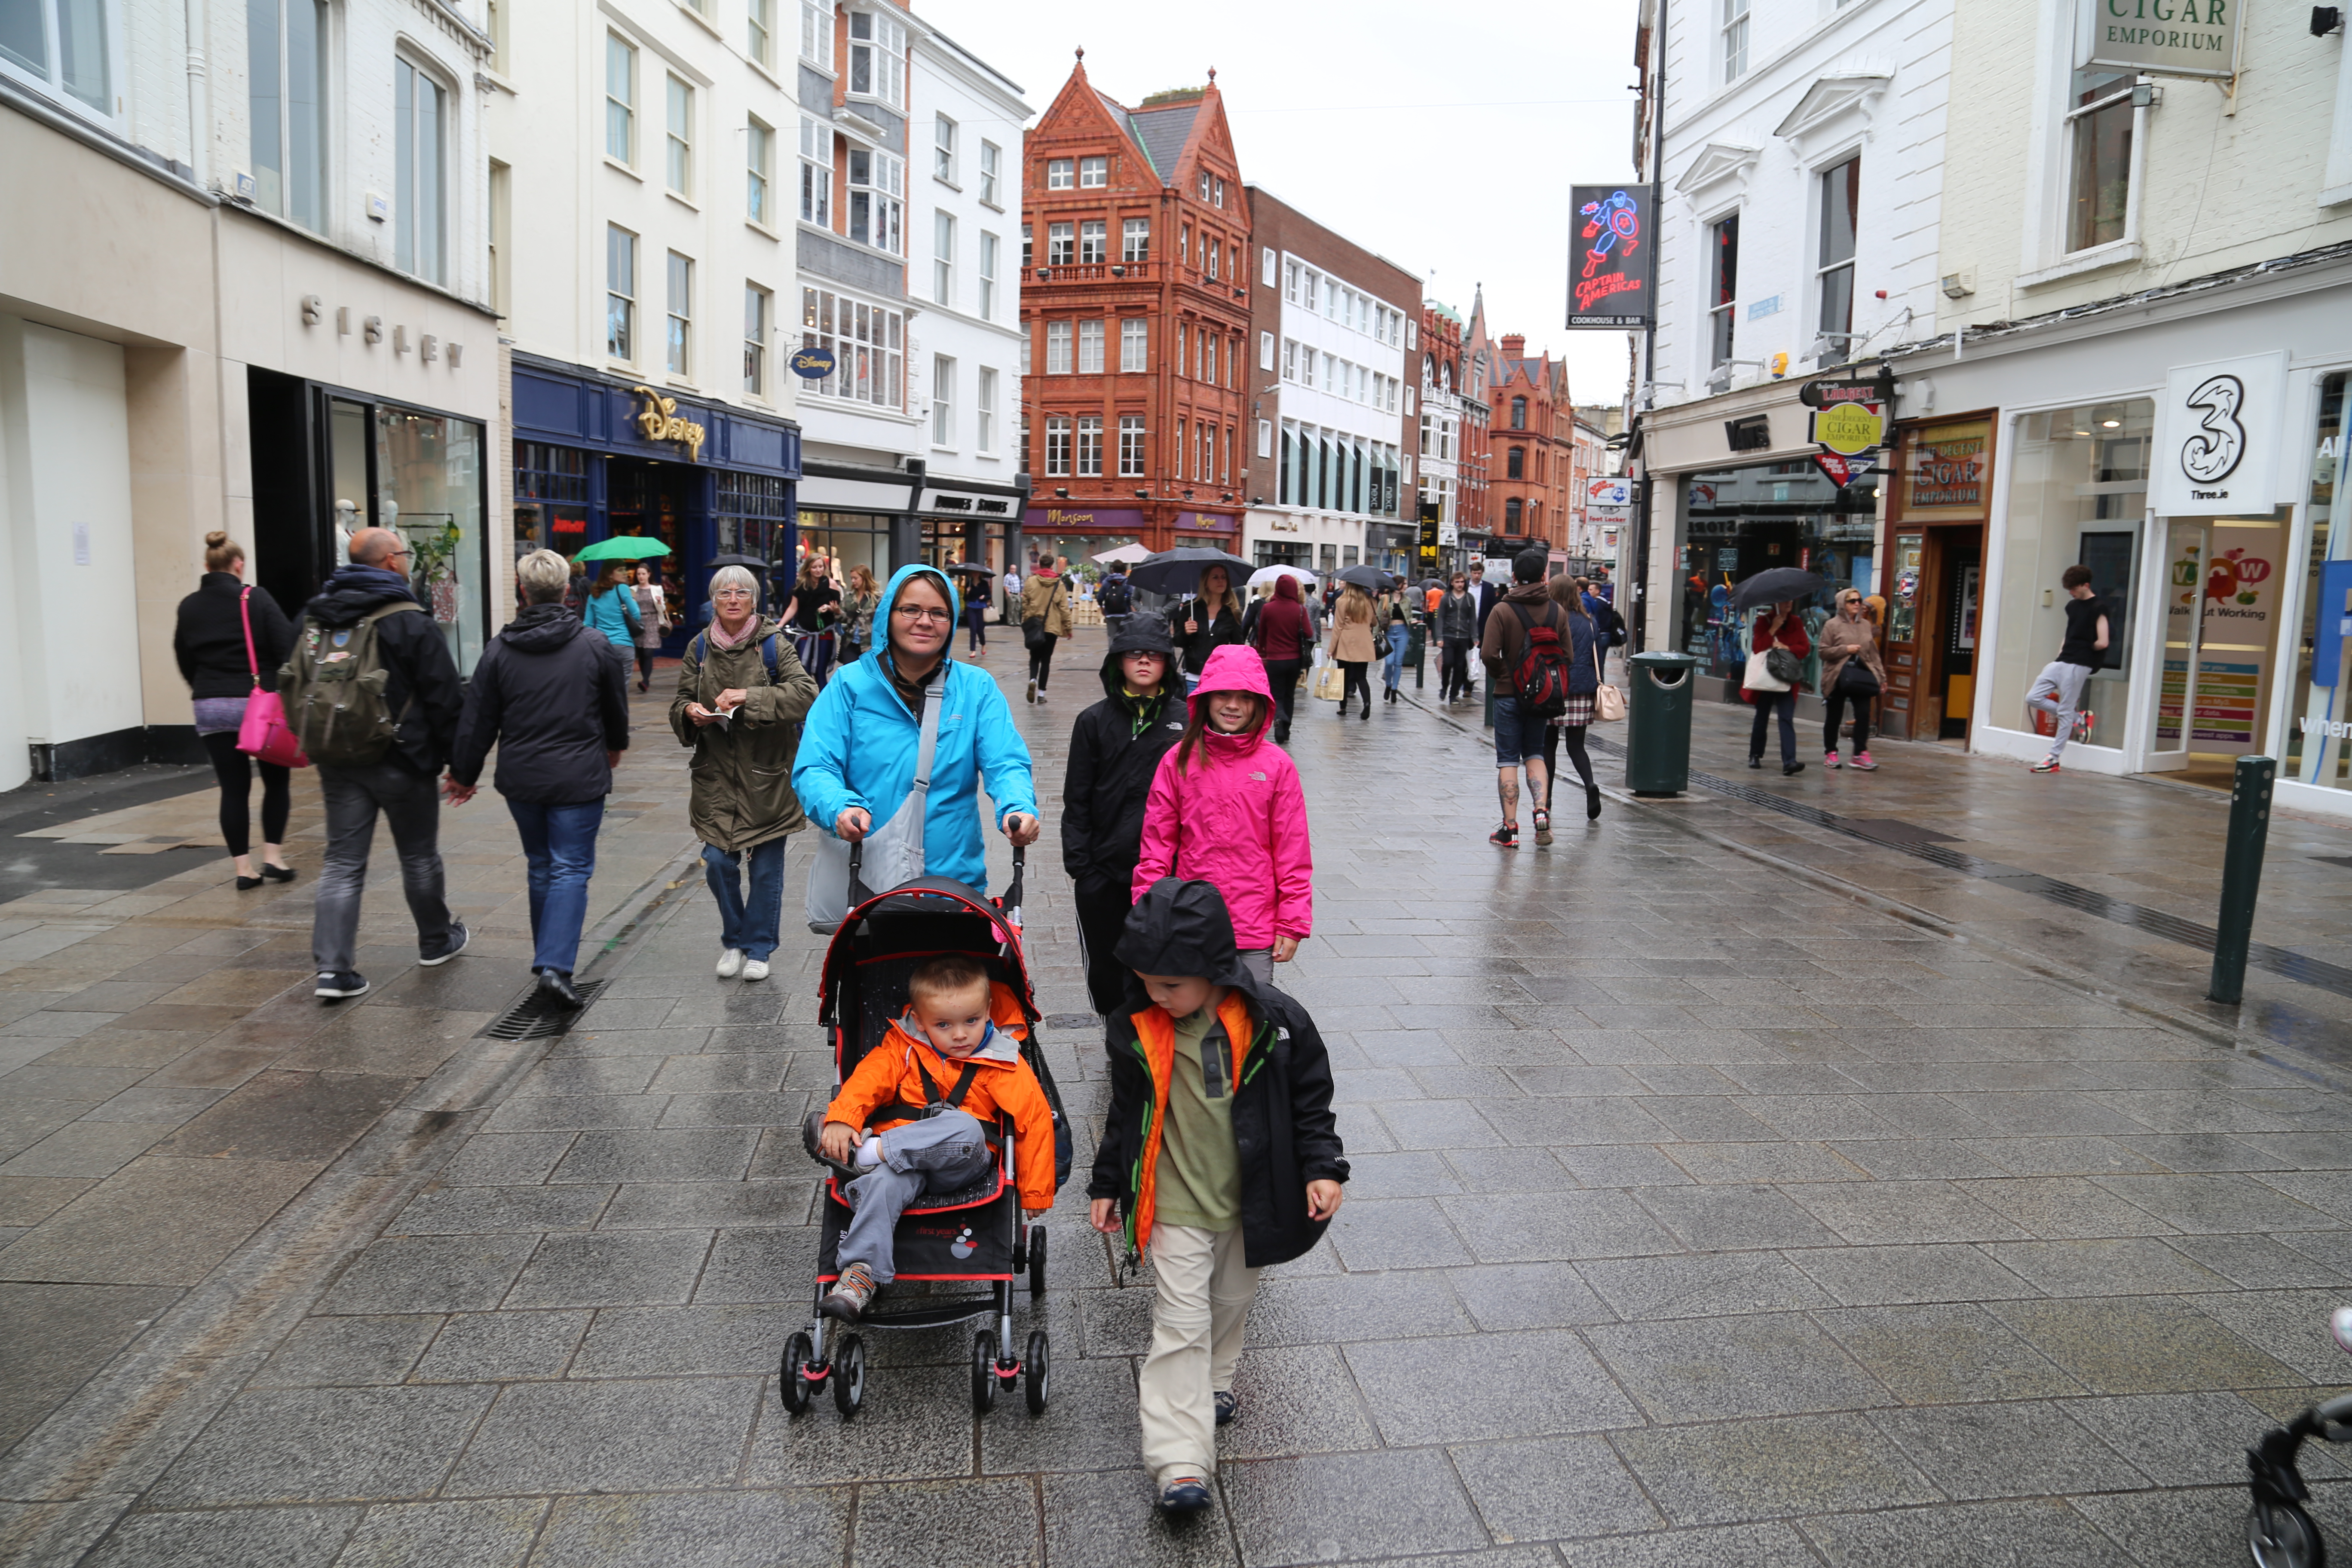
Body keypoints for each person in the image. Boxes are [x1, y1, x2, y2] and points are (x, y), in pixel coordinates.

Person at [1089, 877, 1348, 1515]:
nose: (1157, 994)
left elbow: (1311, 1103)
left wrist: (1324, 1167)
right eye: (1146, 980)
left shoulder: (1276, 1024)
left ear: (1214, 970)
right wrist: (1106, 1183)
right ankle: (1180, 1462)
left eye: (1171, 984)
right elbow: (1127, 1112)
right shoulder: (1137, 1026)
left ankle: (1218, 1380)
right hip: (1174, 1200)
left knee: (1232, 1299)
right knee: (1180, 1323)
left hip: (1252, 1198)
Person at [813, 953, 1058, 1322]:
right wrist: (843, 1118)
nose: (960, 1034)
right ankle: (858, 1276)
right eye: (944, 1025)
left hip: (964, 1161)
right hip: (907, 1163)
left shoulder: (1003, 1061)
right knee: (883, 1184)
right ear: (921, 1021)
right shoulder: (903, 1048)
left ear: (989, 1011)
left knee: (963, 1126)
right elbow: (868, 1080)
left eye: (972, 1021)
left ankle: (865, 1155)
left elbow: (1034, 1119)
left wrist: (1035, 1189)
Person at [446, 549, 631, 1008]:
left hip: (523, 777)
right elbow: (614, 707)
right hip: (579, 775)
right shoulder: (593, 645)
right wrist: (615, 746)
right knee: (570, 867)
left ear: (522, 589)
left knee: (542, 865)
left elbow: (478, 719)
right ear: (568, 589)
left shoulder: (499, 649)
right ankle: (554, 965)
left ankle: (547, 959)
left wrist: (463, 775)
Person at [794, 564, 1041, 899]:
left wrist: (1017, 806)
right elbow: (816, 766)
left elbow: (1005, 761)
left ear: (952, 622)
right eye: (911, 610)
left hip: (954, 882)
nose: (925, 622)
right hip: (869, 880)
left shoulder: (976, 687)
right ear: (888, 615)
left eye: (939, 613)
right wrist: (840, 807)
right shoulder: (848, 685)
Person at [295, 528, 469, 1001]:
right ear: (391, 562)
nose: (408, 561)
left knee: (342, 862)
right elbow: (445, 698)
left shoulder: (317, 614)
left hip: (337, 758)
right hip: (403, 760)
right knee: (417, 856)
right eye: (405, 554)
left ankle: (333, 970)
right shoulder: (409, 620)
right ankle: (436, 940)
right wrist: (461, 765)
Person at [672, 564, 820, 982]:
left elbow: (805, 695)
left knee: (766, 871)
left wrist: (749, 698)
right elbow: (682, 697)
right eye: (724, 593)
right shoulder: (699, 648)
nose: (733, 599)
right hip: (716, 775)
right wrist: (689, 712)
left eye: (741, 593)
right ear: (713, 601)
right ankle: (735, 938)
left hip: (766, 775)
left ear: (754, 601)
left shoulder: (773, 645)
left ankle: (758, 948)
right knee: (718, 862)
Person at [1132, 644, 1311, 987]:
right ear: (1205, 698)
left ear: (1260, 703)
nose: (1233, 705)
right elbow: (1156, 845)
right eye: (1223, 694)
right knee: (1194, 1028)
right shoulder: (1178, 761)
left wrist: (1291, 922)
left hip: (1255, 926)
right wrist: (1148, 910)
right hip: (1190, 922)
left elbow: (1293, 852)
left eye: (1245, 696)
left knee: (1250, 1023)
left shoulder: (1277, 766)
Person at [1062, 619, 1185, 1015]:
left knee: (1162, 957)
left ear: (1168, 663)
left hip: (1165, 869)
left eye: (1154, 655)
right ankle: (1116, 1030)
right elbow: (1077, 796)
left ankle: (1155, 1030)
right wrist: (1082, 864)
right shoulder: (1094, 721)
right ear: (1118, 662)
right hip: (1103, 867)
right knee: (1105, 960)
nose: (1145, 661)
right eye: (1135, 654)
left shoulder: (1186, 719)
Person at [172, 531, 297, 890]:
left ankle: (244, 870)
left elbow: (184, 656)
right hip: (258, 705)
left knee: (233, 788)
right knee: (276, 782)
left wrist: (204, 688)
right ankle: (272, 857)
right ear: (238, 564)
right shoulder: (255, 598)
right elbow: (287, 645)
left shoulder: (189, 605)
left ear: (207, 566)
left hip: (211, 705)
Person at [1476, 548, 1563, 848]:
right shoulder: (1556, 611)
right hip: (1542, 698)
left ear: (1514, 576)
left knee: (1508, 759)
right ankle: (1541, 810)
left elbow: (1488, 653)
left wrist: (1505, 676)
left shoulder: (1502, 610)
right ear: (1543, 576)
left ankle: (1510, 829)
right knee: (1536, 753)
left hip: (1508, 695)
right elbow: (1568, 657)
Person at [1538, 573, 1608, 836]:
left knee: (1548, 746)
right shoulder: (1590, 621)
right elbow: (1597, 656)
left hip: (1553, 689)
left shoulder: (1550, 618)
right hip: (1582, 690)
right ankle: (1589, 784)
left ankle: (1547, 799)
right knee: (1577, 746)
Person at [2027, 565, 2109, 773]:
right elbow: (2070, 631)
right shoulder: (2072, 606)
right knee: (2033, 698)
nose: (2071, 592)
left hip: (2079, 663)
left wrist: (2085, 650)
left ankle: (2053, 758)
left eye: (2073, 589)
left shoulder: (2099, 607)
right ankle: (2078, 719)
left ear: (2085, 585)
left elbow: (2103, 641)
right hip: (2062, 661)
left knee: (2063, 710)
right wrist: (2061, 652)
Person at [1818, 587, 1887, 772]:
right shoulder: (1832, 625)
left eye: (1859, 600)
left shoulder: (1865, 625)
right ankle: (1831, 753)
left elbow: (1873, 654)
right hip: (1837, 676)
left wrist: (1882, 677)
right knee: (1834, 716)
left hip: (1861, 675)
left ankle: (1860, 753)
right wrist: (1845, 650)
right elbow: (1823, 652)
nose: (1858, 604)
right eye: (1852, 601)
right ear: (1843, 604)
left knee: (1864, 714)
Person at [1745, 600, 1810, 775]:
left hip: (1788, 678)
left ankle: (1790, 761)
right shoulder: (1764, 621)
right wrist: (1773, 628)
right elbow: (1757, 647)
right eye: (1784, 601)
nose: (1789, 603)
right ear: (1775, 604)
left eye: (1791, 600)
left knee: (1786, 718)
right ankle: (1755, 754)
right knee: (1762, 716)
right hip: (1767, 676)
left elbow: (1805, 648)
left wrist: (1787, 648)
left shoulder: (1796, 622)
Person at [1248, 574, 1313, 744]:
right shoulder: (1300, 610)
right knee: (1289, 695)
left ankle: (1278, 723)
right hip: (1295, 659)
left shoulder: (1268, 608)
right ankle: (1287, 729)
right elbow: (1309, 633)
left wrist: (1263, 647)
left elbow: (1261, 634)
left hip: (1274, 659)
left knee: (1276, 695)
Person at [1168, 564, 1245, 691]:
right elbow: (1177, 641)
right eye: (1215, 577)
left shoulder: (1232, 612)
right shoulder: (1190, 608)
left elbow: (1238, 646)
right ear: (1206, 583)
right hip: (1193, 677)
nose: (1221, 581)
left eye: (1224, 577)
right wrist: (1187, 633)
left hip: (1220, 678)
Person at [1019, 555, 1074, 703]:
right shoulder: (1059, 584)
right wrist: (1068, 627)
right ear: (1052, 566)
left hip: (1035, 624)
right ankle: (1042, 694)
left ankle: (1033, 680)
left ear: (1040, 564)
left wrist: (1026, 621)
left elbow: (1025, 603)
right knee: (1047, 660)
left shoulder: (1031, 581)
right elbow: (1064, 607)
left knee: (1034, 657)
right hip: (1052, 626)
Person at [1328, 582, 1377, 721]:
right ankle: (1367, 703)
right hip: (1364, 641)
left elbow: (1338, 627)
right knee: (1362, 676)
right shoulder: (1371, 602)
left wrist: (1331, 649)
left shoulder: (1342, 601)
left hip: (1346, 641)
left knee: (1343, 676)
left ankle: (1343, 707)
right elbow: (1374, 622)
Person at [1436, 571, 1477, 701]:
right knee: (1448, 662)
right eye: (1457, 582)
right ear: (1452, 583)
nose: (1460, 585)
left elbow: (1472, 618)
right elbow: (1441, 618)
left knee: (1460, 667)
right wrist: (1439, 637)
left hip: (1464, 637)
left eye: (1462, 582)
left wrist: (1475, 637)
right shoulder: (1446, 598)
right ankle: (1444, 687)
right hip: (1449, 635)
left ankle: (1453, 695)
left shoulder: (1469, 598)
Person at [582, 560, 640, 652]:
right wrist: (633, 598)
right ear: (610, 574)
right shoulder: (623, 589)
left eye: (625, 569)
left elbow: (588, 624)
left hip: (602, 645)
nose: (625, 573)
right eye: (620, 570)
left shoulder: (593, 595)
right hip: (623, 643)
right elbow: (636, 616)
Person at [628, 564, 669, 692]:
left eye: (643, 574)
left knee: (648, 653)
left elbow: (663, 609)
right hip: (638, 623)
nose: (641, 577)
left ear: (649, 574)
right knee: (641, 653)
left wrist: (659, 602)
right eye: (639, 574)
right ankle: (645, 678)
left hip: (653, 622)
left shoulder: (657, 589)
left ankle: (645, 681)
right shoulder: (632, 589)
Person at [840, 564, 881, 665]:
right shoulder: (849, 597)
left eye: (856, 578)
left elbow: (882, 621)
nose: (853, 581)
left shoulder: (877, 598)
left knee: (867, 675)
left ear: (864, 578)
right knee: (850, 674)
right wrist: (837, 612)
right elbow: (843, 619)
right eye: (852, 579)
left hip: (869, 645)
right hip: (851, 643)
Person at [1381, 587, 1410, 703]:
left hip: (1403, 631)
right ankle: (1388, 684)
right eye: (1404, 584)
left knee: (1398, 662)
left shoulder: (1407, 600)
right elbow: (1379, 616)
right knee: (1389, 662)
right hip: (1389, 632)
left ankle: (1394, 689)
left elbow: (1409, 614)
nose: (1406, 587)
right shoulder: (1385, 599)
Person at [1467, 557, 1502, 647]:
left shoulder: (1489, 588)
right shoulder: (1465, 586)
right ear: (1471, 573)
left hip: (1482, 626)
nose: (1477, 576)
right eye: (1475, 573)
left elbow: (1492, 607)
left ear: (1482, 573)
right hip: (1465, 626)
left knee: (1479, 653)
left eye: (1479, 573)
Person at [1097, 564, 1134, 641]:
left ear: (1113, 570)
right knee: (1125, 637)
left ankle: (1113, 653)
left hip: (1110, 613)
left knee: (1112, 638)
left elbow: (1100, 597)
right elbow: (1133, 597)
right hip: (1125, 614)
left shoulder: (1106, 581)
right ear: (1124, 571)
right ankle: (1123, 652)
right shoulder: (1127, 582)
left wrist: (1102, 608)